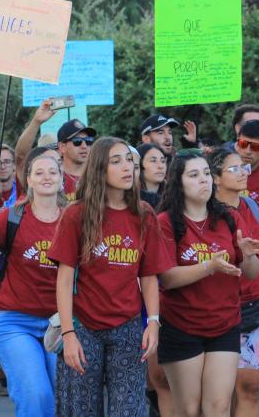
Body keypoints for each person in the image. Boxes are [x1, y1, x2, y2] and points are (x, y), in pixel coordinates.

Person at [49, 137, 167, 416]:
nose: (127, 167)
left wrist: (153, 322)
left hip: (128, 327)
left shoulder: (145, 214)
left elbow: (149, 276)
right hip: (83, 326)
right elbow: (64, 281)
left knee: (129, 410)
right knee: (81, 410)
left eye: (129, 160)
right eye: (116, 162)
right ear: (100, 169)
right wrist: (68, 334)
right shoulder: (76, 214)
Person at [156, 150, 259, 417]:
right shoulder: (166, 222)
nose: (203, 180)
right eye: (193, 175)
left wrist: (248, 257)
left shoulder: (228, 218)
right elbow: (167, 278)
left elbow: (250, 273)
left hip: (225, 324)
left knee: (217, 408)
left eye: (206, 173)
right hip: (182, 326)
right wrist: (209, 266)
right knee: (189, 410)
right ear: (178, 182)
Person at [0, 150, 66, 416]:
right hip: (16, 322)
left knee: (61, 396)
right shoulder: (12, 217)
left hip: (61, 322)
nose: (46, 177)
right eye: (39, 172)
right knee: (35, 395)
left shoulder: (75, 219)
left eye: (52, 172)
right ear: (28, 180)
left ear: (62, 179)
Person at [209, 148, 259, 416]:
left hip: (256, 309)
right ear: (216, 178)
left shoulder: (255, 210)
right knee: (219, 393)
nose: (243, 173)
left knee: (249, 388)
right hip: (215, 312)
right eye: (233, 169)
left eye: (243, 168)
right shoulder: (204, 214)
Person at [14, 100, 95, 202]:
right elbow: (21, 157)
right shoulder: (48, 178)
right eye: (77, 141)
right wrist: (36, 122)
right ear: (62, 147)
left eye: (88, 141)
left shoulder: (100, 176)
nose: (84, 146)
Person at [138, 143, 167, 209]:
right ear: (139, 164)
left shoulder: (173, 196)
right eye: (153, 161)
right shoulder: (131, 198)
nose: (160, 166)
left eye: (163, 161)